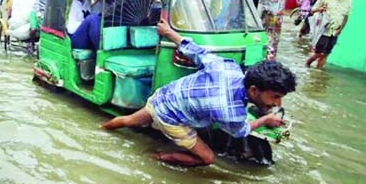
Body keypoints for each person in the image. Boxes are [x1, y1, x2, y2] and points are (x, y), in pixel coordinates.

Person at [101, 17, 296, 167]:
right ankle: (157, 158)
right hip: (170, 118)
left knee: (127, 121)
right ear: (253, 90)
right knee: (208, 158)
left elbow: (195, 51)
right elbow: (241, 131)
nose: (277, 103)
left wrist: (168, 31)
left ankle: (100, 130)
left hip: (162, 98)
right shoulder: (230, 112)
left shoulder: (228, 68)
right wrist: (265, 120)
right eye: (275, 97)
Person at [305, 0, 353, 69]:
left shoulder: (349, 1)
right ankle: (307, 64)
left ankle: (318, 73)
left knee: (326, 54)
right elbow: (312, 11)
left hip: (335, 31)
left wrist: (340, 30)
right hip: (323, 30)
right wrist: (320, 9)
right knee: (319, 53)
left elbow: (346, 17)